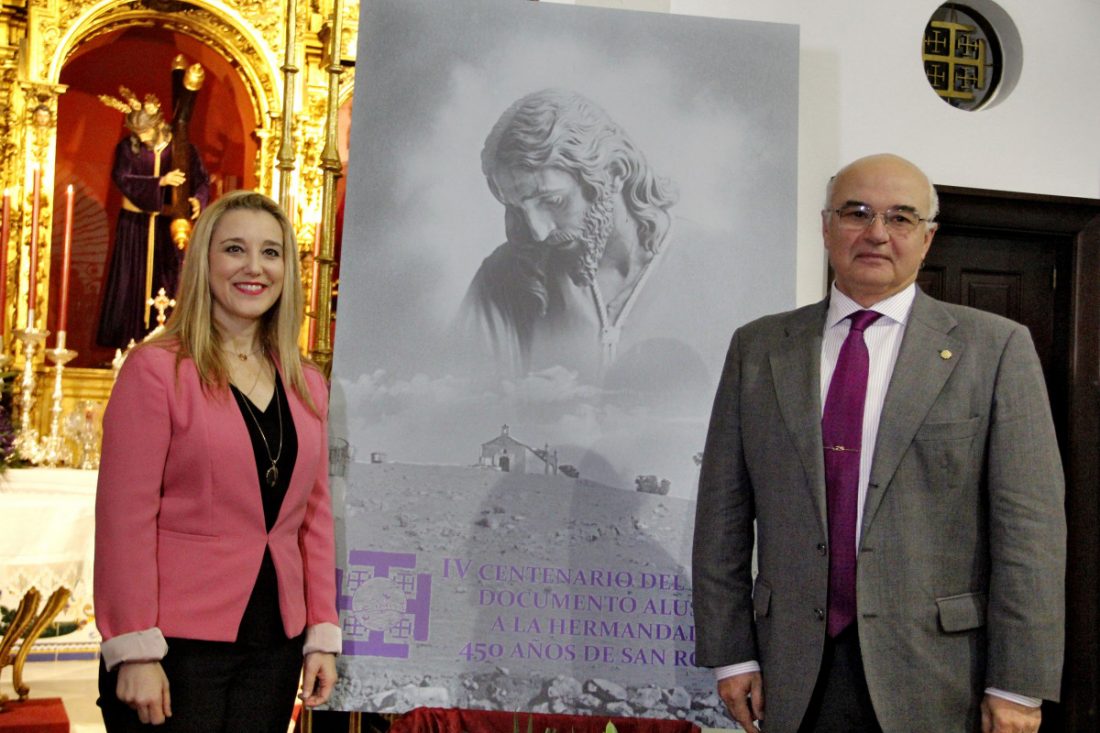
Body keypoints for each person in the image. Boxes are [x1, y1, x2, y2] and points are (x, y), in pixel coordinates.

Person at [692, 154, 1065, 733]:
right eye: (856, 212)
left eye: (900, 218)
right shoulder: (759, 348)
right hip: (789, 671)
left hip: (943, 675)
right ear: (825, 226)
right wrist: (732, 652)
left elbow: (1031, 533)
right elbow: (723, 516)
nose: (876, 233)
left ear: (927, 238)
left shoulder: (995, 350)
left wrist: (1017, 682)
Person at [94, 190, 340, 731]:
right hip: (175, 646)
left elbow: (314, 518)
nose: (254, 267)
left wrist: (321, 629)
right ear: (205, 260)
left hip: (273, 645)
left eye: (271, 253)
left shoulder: (308, 383)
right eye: (234, 249)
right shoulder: (157, 371)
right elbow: (123, 518)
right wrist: (133, 648)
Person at [458, 88, 682, 380]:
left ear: (614, 172)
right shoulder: (502, 280)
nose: (538, 232)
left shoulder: (719, 265)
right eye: (518, 209)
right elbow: (462, 410)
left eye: (552, 201)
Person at [96, 87, 210, 349]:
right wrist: (160, 181)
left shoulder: (182, 148)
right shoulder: (128, 148)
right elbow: (122, 178)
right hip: (135, 225)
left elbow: (202, 180)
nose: (143, 140)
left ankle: (168, 344)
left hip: (168, 228)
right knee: (131, 284)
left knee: (169, 280)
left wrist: (197, 200)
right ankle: (128, 343)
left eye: (147, 133)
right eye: (138, 135)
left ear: (159, 125)